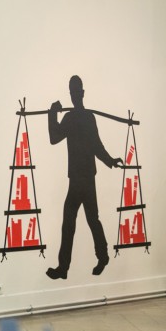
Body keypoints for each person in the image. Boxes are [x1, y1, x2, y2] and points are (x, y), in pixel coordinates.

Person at [46, 75, 123, 280]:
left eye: (76, 91)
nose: (74, 95)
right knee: (83, 221)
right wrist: (53, 114)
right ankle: (96, 258)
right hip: (81, 177)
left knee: (84, 220)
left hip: (85, 178)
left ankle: (72, 265)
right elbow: (55, 138)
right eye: (72, 92)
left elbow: (96, 145)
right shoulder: (77, 117)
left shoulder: (79, 118)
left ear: (81, 93)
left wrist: (52, 114)